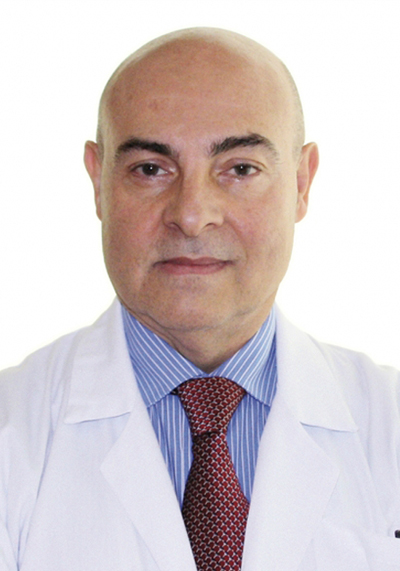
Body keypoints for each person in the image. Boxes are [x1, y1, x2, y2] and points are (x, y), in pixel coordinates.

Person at [1, 27, 400, 571]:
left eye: (240, 169)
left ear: (301, 183)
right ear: (98, 182)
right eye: (150, 169)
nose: (191, 214)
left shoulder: (389, 425)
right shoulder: (11, 435)